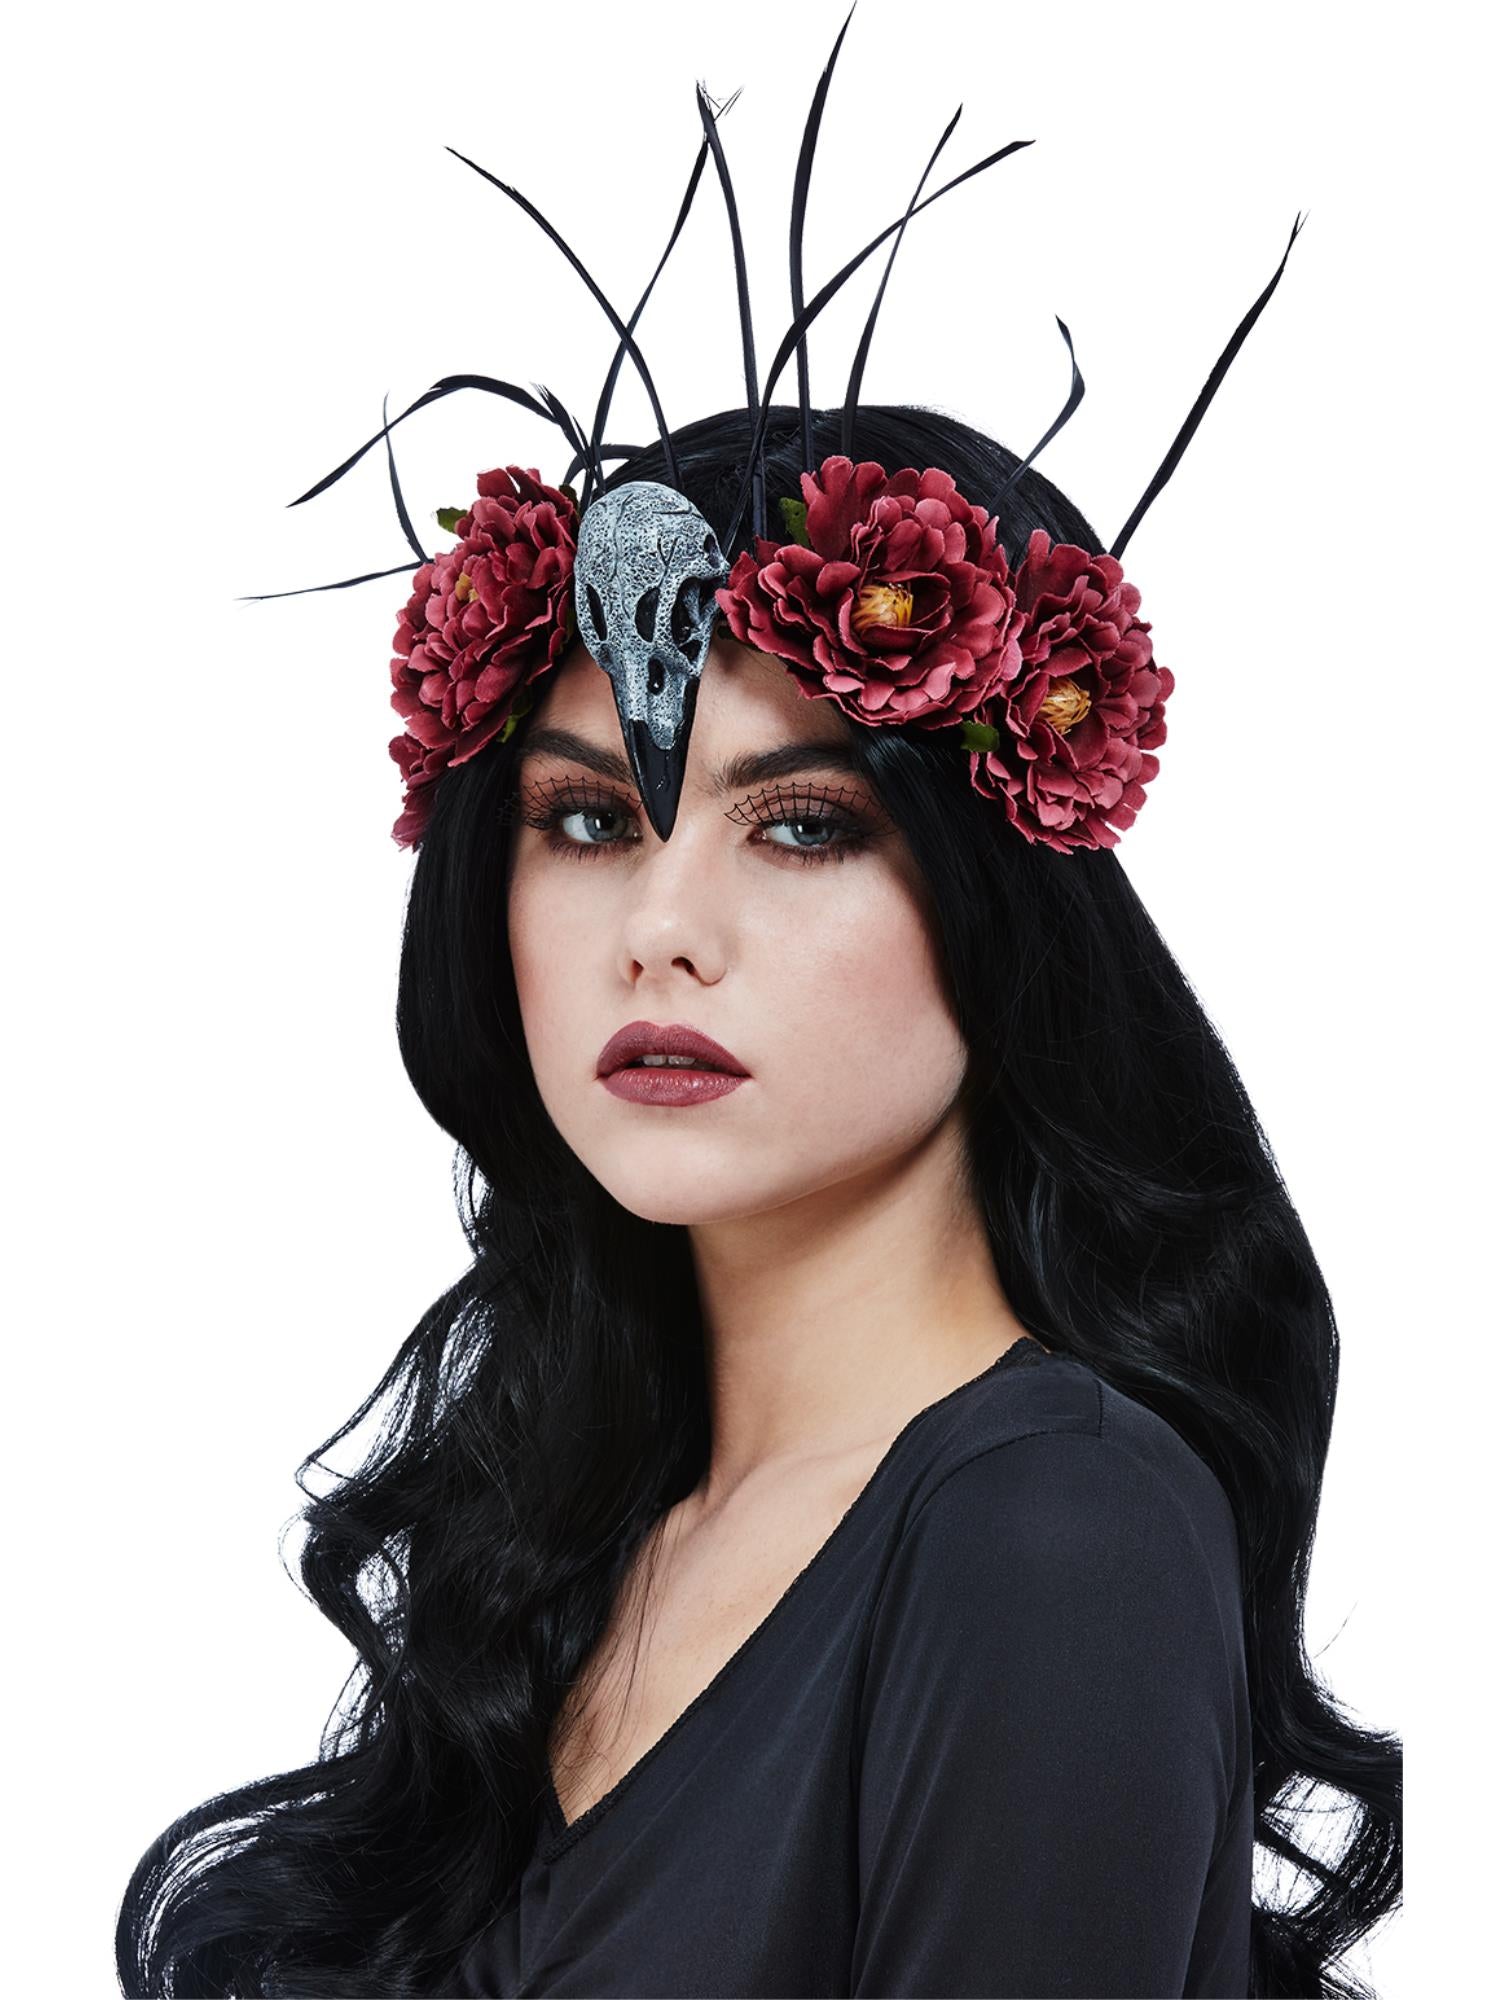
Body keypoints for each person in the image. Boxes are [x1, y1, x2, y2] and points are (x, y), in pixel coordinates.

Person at [115, 14, 1402, 1999]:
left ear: (994, 896)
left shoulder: (1049, 1527)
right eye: (586, 820)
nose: (661, 928)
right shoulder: (584, 1534)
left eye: (800, 827)